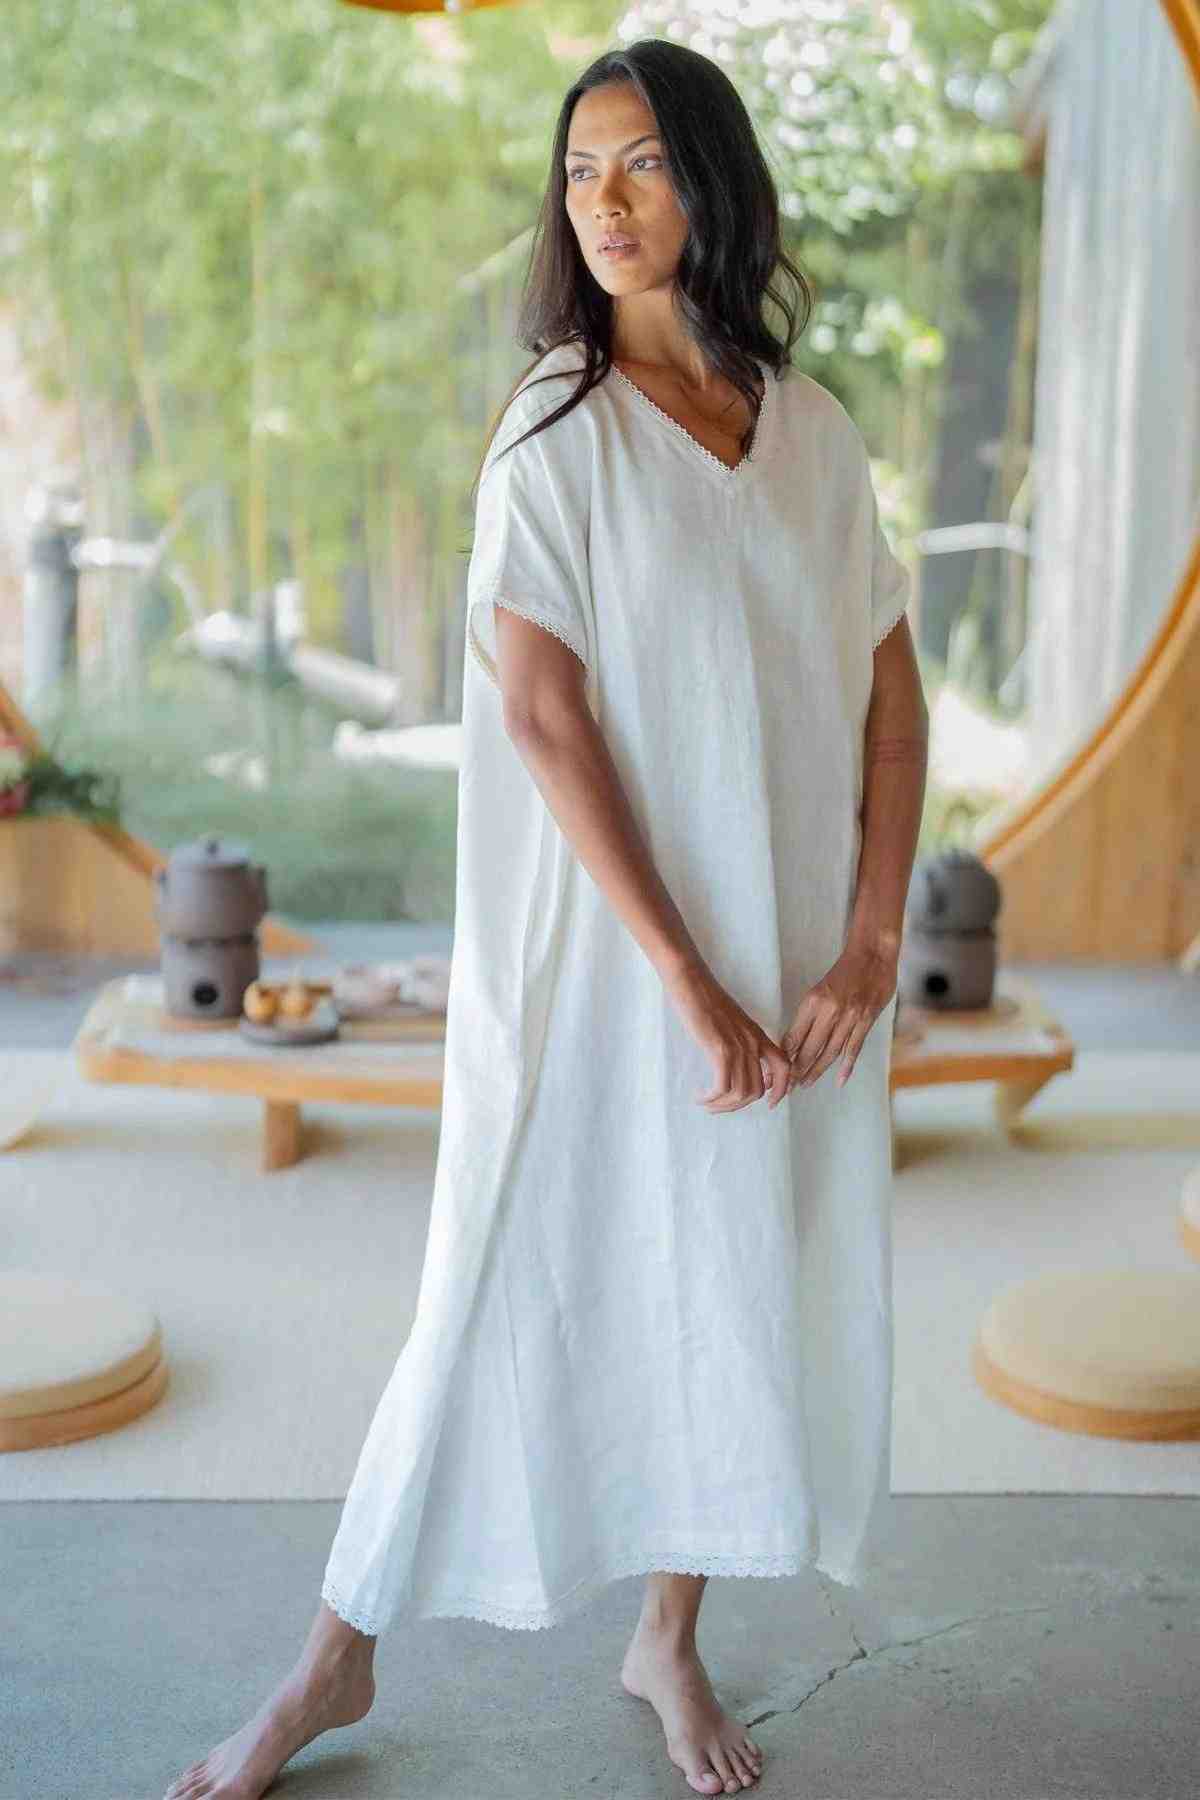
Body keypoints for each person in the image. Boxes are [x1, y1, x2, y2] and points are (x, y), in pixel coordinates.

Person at [163, 37, 928, 1800]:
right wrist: (683, 979)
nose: (605, 199)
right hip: (606, 971)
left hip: (797, 958)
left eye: (643, 163)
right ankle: (329, 1663)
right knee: (499, 1280)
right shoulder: (553, 434)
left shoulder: (813, 437)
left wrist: (871, 944)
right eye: (581, 170)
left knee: (743, 1280)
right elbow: (544, 715)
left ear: (712, 184)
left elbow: (892, 696)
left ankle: (668, 1636)